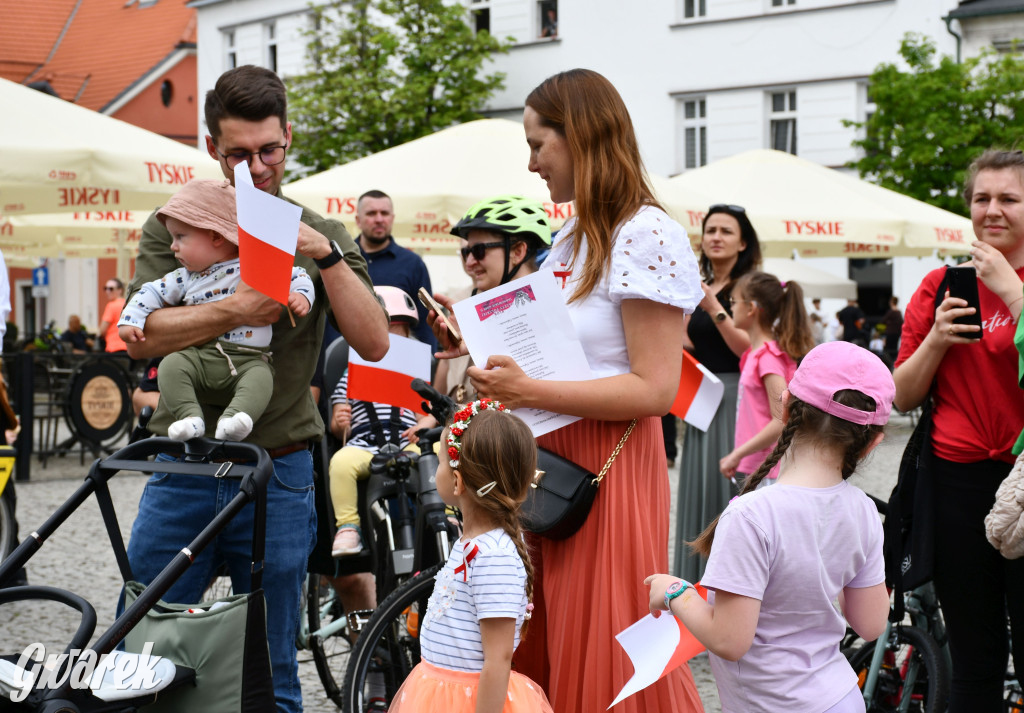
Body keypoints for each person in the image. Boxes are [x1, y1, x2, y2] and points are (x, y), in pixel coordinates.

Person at [428, 68, 705, 713]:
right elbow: (561, 352)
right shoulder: (574, 237)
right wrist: (487, 353)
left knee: (603, 642)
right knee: (546, 634)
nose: (532, 165)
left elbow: (656, 389)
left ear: (579, 136)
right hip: (549, 456)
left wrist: (527, 387)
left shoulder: (645, 234)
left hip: (606, 466)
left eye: (537, 145)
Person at [121, 64, 389, 713]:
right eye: (239, 154)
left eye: (270, 150)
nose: (258, 167)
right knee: (138, 650)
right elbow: (143, 334)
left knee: (269, 669)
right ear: (212, 147)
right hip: (183, 462)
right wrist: (241, 307)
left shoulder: (317, 230)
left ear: (288, 137)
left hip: (279, 466)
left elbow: (377, 343)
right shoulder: (176, 223)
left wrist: (323, 254)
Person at [646, 341, 893, 713]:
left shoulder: (751, 515)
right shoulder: (864, 510)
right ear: (872, 442)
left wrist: (675, 591)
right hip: (841, 698)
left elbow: (729, 640)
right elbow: (871, 624)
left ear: (786, 405)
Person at [894, 149, 1024, 712]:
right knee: (974, 657)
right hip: (956, 481)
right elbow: (901, 395)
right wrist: (937, 340)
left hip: (1023, 481)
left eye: (1009, 199)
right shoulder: (941, 285)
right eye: (982, 198)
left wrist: (1012, 291)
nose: (992, 210)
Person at [118, 179, 315, 442]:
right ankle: (189, 418)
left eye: (180, 237)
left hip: (248, 359)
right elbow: (150, 292)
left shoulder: (255, 266)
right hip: (199, 357)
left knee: (261, 378)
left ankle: (236, 419)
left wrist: (301, 296)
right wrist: (131, 320)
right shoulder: (185, 276)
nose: (172, 246)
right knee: (171, 366)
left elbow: (297, 274)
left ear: (216, 236)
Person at [390, 401, 554, 713]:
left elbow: (498, 659)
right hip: (437, 690)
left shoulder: (495, 557)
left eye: (440, 462)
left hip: (467, 701)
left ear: (458, 481)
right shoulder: (474, 541)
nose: (436, 471)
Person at [675, 203, 762, 583]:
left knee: (723, 493)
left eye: (726, 231)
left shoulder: (751, 287)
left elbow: (752, 349)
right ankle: (695, 587)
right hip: (700, 397)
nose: (716, 237)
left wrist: (713, 307)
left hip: (736, 398)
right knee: (698, 491)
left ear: (743, 242)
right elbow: (690, 343)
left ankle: (726, 586)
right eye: (710, 230)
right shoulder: (700, 285)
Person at [328, 286, 423, 556]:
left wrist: (423, 427)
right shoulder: (350, 375)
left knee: (438, 451)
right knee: (340, 463)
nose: (391, 342)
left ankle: (448, 514)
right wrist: (340, 420)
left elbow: (426, 415)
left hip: (406, 442)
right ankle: (348, 526)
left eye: (399, 335)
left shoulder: (413, 375)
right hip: (365, 445)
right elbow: (337, 423)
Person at [719, 272, 813, 486]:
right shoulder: (756, 354)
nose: (730, 307)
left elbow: (780, 420)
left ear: (751, 308)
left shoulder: (768, 358)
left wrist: (737, 454)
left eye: (733, 301)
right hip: (759, 467)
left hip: (768, 469)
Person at [354, 189, 437, 350]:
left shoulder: (413, 264)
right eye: (371, 213)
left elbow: (426, 321)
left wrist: (428, 360)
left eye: (384, 213)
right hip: (341, 358)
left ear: (392, 218)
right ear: (358, 220)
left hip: (397, 358)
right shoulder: (341, 259)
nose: (379, 219)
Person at [97, 278, 127, 353]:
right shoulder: (127, 304)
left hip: (114, 348)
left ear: (120, 290)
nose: (107, 291)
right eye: (105, 288)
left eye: (111, 289)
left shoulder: (111, 306)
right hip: (128, 347)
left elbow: (102, 330)